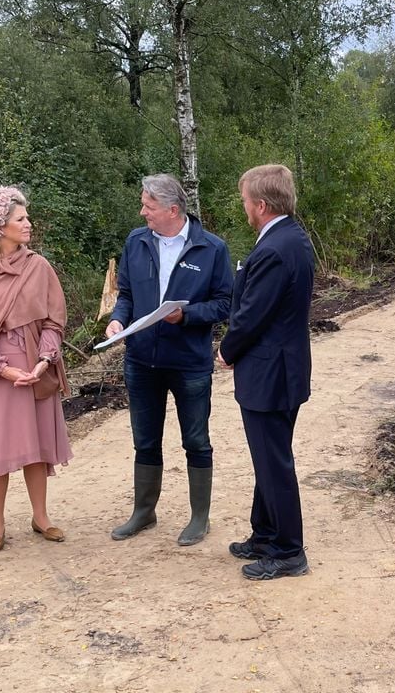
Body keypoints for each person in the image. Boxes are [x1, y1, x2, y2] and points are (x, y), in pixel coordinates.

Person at [107, 174, 233, 546]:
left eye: (149, 205)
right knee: (145, 440)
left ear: (172, 210)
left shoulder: (211, 248)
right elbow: (126, 293)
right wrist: (118, 318)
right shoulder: (136, 241)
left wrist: (187, 315)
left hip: (189, 363)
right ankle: (144, 512)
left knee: (196, 440)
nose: (142, 211)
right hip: (141, 360)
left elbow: (225, 303)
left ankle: (199, 517)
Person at [0, 186, 73, 554]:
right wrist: (3, 369)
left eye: (27, 218)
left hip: (36, 364)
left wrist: (45, 359)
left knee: (37, 445)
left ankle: (41, 517)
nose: (28, 224)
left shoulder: (38, 266)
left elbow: (55, 320)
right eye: (21, 219)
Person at [217, 164, 314, 580]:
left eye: (244, 202)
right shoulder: (292, 238)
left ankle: (289, 550)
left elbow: (253, 314)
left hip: (270, 372)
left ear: (260, 204)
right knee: (268, 457)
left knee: (273, 461)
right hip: (281, 368)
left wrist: (227, 350)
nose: (244, 209)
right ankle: (266, 533)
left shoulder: (275, 249)